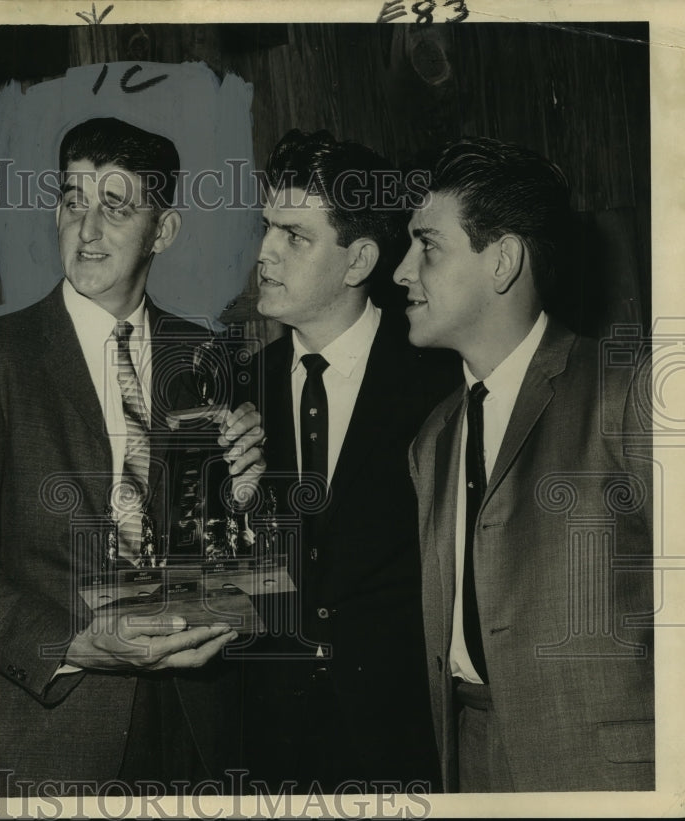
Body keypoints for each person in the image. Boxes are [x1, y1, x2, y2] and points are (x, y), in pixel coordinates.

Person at [0, 116, 265, 792]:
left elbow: (234, 563)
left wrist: (246, 500)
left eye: (114, 207)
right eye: (72, 200)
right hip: (49, 734)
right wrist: (73, 644)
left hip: (196, 729)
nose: (85, 230)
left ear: (164, 230)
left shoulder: (207, 356)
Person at [395, 137, 653, 791]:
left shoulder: (625, 392)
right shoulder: (433, 438)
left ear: (502, 260)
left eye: (426, 247)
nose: (402, 271)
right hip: (471, 764)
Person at [239, 130, 454, 793]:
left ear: (358, 259)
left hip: (407, 745)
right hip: (269, 748)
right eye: (267, 229)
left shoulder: (441, 380)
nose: (266, 253)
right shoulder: (234, 392)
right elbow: (217, 579)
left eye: (294, 236)